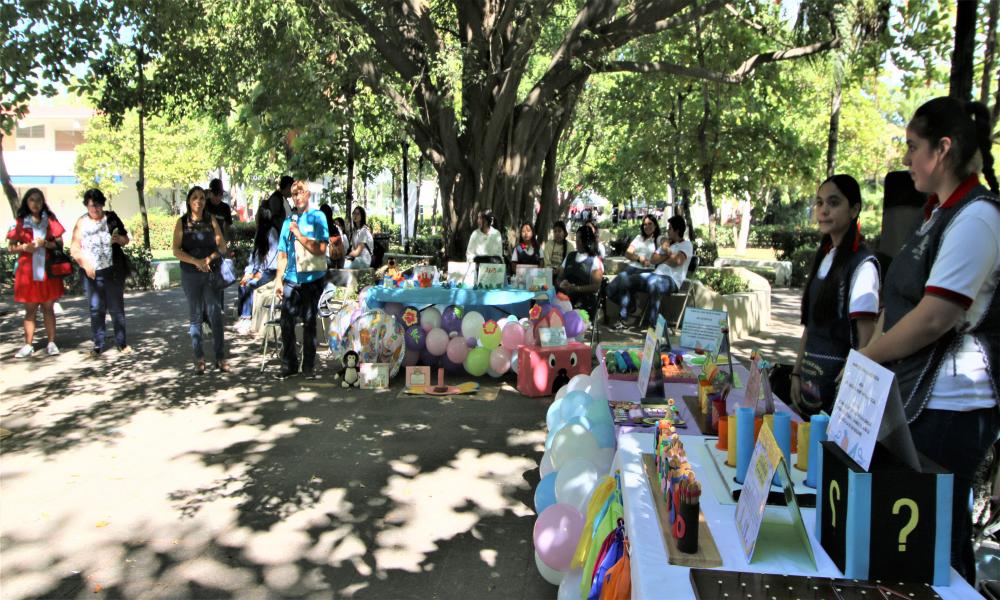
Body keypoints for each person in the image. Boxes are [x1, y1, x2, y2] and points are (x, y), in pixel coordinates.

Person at [856, 97, 999, 583]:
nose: (905, 158)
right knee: (913, 544)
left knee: (941, 547)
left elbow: (935, 317)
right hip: (915, 396)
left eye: (913, 147)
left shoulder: (978, 218)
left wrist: (867, 358)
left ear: (943, 150)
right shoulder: (936, 214)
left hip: (950, 409)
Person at [790, 175, 879, 416]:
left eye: (834, 203)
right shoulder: (826, 256)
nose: (824, 210)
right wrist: (796, 373)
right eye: (819, 203)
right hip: (809, 384)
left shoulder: (863, 265)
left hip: (838, 394)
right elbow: (810, 326)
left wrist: (849, 386)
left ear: (854, 209)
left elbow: (867, 338)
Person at [274, 181, 329, 379]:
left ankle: (308, 366)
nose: (297, 197)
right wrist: (278, 280)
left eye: (300, 193)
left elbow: (321, 249)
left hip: (312, 279)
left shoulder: (317, 217)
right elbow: (282, 253)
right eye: (294, 195)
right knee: (286, 322)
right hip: (291, 278)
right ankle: (289, 364)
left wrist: (299, 235)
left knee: (309, 322)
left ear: (308, 195)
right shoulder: (288, 221)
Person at [70, 188, 133, 357]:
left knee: (116, 308)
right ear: (86, 206)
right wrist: (85, 265)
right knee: (96, 308)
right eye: (92, 206)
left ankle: (122, 342)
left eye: (98, 206)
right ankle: (98, 343)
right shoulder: (82, 222)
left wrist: (120, 239)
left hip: (113, 270)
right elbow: (74, 249)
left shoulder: (111, 218)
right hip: (92, 273)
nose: (95, 210)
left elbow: (126, 239)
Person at [172, 186, 228, 373]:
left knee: (215, 315)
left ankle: (220, 358)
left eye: (202, 197)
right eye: (195, 197)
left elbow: (223, 246)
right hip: (190, 275)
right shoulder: (182, 222)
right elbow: (176, 250)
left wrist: (209, 259)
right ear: (189, 201)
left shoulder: (210, 220)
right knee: (195, 316)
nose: (199, 201)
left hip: (210, 273)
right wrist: (195, 261)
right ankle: (200, 359)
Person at [6, 188, 65, 358]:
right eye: (32, 200)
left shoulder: (50, 220)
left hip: (47, 271)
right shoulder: (20, 222)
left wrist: (45, 243)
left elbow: (59, 243)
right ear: (26, 202)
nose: (35, 203)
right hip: (27, 273)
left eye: (39, 200)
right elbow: (10, 247)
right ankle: (28, 345)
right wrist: (24, 247)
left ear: (43, 202)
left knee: (48, 308)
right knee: (30, 310)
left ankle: (51, 343)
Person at [608, 215, 692, 329]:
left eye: (670, 228)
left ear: (677, 230)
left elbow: (677, 261)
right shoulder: (667, 244)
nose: (667, 230)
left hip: (671, 280)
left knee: (654, 284)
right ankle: (624, 318)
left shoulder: (686, 245)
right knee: (626, 281)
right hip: (655, 275)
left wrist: (665, 254)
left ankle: (653, 326)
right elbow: (653, 259)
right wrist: (668, 255)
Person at [234, 220, 278, 335]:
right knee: (242, 284)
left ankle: (247, 319)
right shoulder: (259, 234)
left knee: (250, 285)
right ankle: (242, 317)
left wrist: (258, 273)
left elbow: (272, 259)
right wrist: (248, 272)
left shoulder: (271, 233)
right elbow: (253, 258)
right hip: (258, 270)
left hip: (269, 271)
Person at [557, 224, 604, 316]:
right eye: (576, 238)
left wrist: (575, 288)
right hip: (565, 298)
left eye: (578, 239)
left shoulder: (595, 261)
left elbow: (595, 287)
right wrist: (561, 284)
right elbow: (559, 277)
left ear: (586, 241)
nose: (576, 241)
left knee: (571, 317)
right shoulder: (570, 256)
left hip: (584, 302)